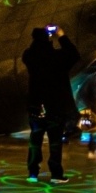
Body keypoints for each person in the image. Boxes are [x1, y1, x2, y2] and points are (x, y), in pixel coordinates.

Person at [22, 26, 78, 182]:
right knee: (55, 142)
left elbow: (31, 52)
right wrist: (61, 36)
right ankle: (56, 174)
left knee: (35, 140)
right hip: (55, 106)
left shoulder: (29, 56)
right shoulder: (58, 57)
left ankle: (33, 172)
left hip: (36, 105)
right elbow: (74, 54)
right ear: (49, 38)